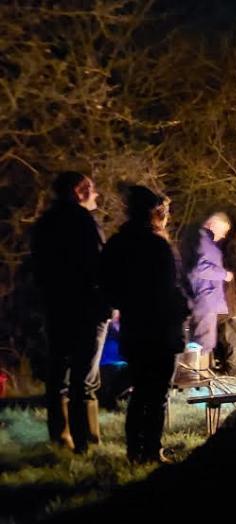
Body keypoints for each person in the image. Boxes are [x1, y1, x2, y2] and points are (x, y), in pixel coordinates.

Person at [101, 186, 190, 464]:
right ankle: (151, 450)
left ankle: (134, 451)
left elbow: (107, 286)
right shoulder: (157, 245)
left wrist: (126, 305)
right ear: (157, 213)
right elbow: (170, 289)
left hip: (134, 326)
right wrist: (184, 307)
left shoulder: (118, 243)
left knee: (140, 391)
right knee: (158, 393)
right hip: (161, 328)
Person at [30, 171, 111, 452]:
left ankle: (61, 437)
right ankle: (87, 440)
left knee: (58, 373)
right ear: (79, 191)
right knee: (85, 377)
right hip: (87, 307)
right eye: (92, 189)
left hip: (56, 306)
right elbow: (99, 265)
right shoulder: (84, 222)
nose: (96, 194)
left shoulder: (45, 223)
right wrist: (108, 301)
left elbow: (37, 268)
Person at [185, 212, 233, 366]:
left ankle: (197, 372)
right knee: (203, 342)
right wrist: (224, 274)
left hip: (206, 298)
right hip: (205, 299)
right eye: (223, 231)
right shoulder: (202, 242)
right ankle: (197, 375)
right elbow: (199, 268)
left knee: (203, 341)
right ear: (213, 225)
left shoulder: (204, 242)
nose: (224, 236)